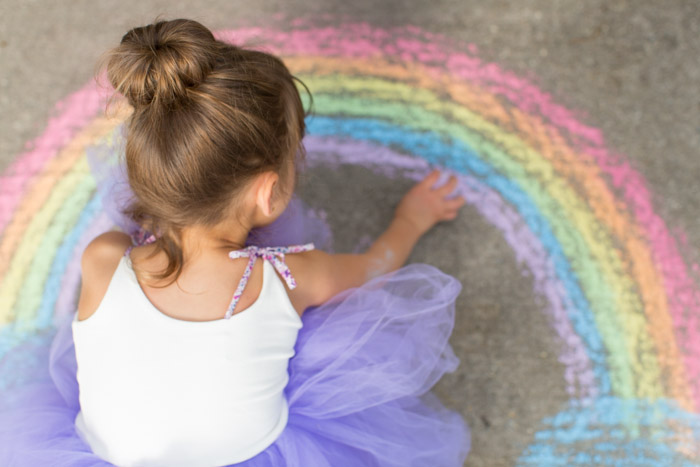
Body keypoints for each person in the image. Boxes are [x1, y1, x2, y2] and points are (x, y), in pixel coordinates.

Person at [0, 18, 470, 466]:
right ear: (267, 193)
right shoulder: (291, 276)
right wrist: (411, 219)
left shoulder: (102, 258)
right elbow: (374, 267)